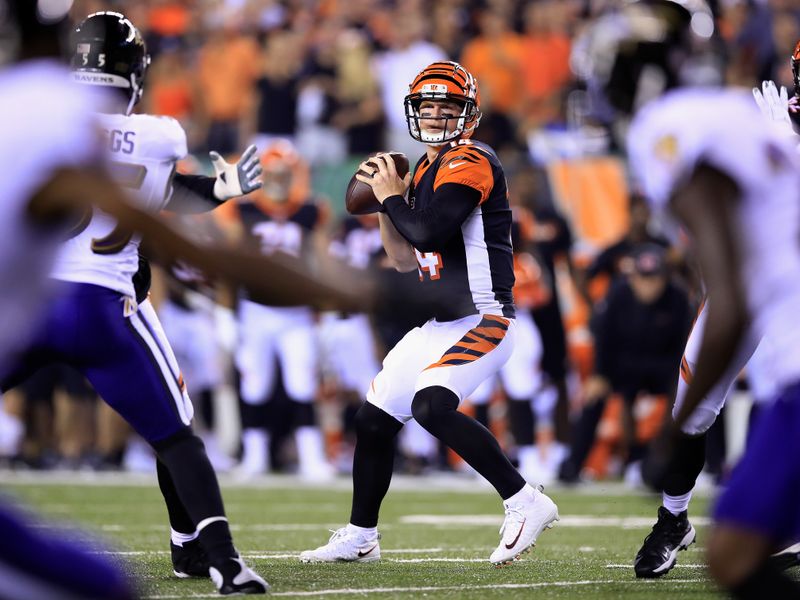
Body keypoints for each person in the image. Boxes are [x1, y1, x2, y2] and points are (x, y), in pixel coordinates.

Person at [1, 11, 268, 595]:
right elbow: (156, 190)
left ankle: (186, 546)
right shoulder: (158, 135)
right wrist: (223, 189)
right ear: (135, 77)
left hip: (31, 305)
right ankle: (220, 559)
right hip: (106, 307)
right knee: (176, 436)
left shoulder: (36, 123)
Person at [577, 1, 800, 596]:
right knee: (696, 403)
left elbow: (734, 287)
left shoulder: (675, 126)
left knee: (738, 550)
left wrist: (667, 436)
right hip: (764, 288)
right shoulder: (737, 112)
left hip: (774, 302)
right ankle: (674, 518)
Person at [300, 61, 559, 567]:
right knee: (372, 421)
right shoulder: (419, 169)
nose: (436, 115)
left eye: (447, 106)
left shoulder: (474, 159)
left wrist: (393, 196)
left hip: (487, 316)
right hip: (440, 323)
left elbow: (430, 232)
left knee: (431, 406)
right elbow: (402, 257)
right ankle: (361, 536)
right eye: (427, 106)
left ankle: (526, 500)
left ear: (469, 113)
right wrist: (383, 205)